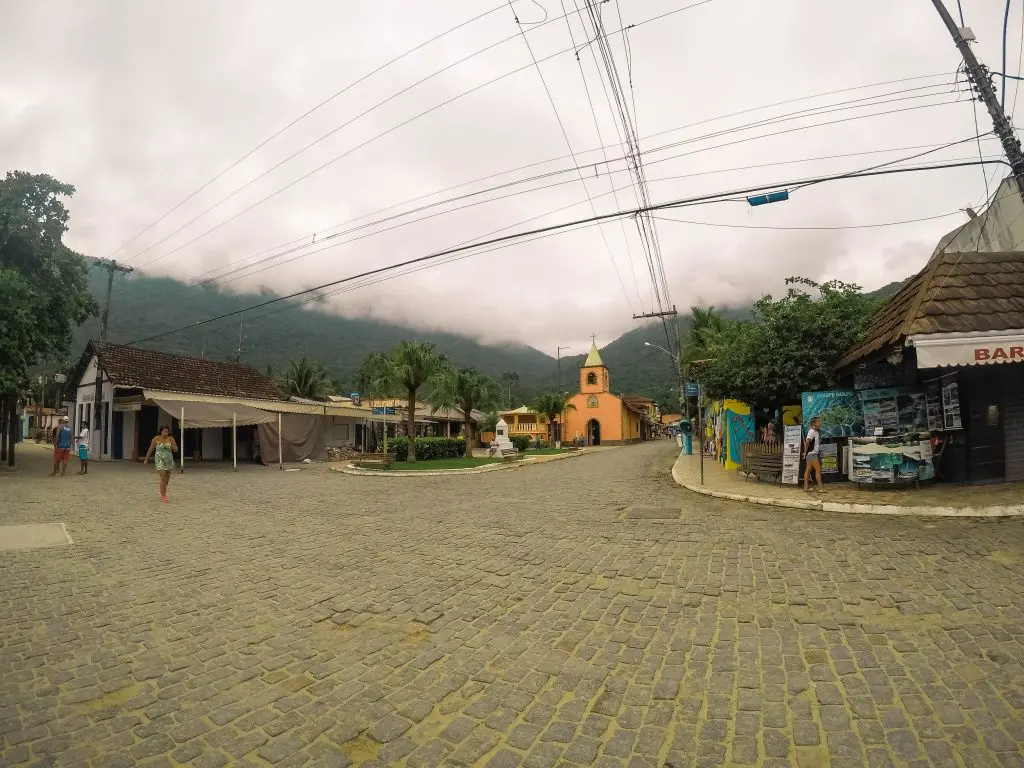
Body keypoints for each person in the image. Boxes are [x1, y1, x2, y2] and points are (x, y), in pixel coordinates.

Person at [144, 425, 178, 503]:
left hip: (168, 460)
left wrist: (173, 447)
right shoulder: (156, 438)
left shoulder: (171, 438)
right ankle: (164, 496)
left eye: (167, 431)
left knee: (167, 480)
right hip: (159, 460)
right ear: (161, 431)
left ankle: (162, 490)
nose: (166, 433)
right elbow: (151, 449)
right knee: (163, 477)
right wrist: (146, 459)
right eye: (164, 431)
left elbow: (176, 449)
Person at [803, 416, 825, 493]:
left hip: (811, 454)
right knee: (818, 469)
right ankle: (821, 488)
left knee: (808, 470)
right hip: (812, 454)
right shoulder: (811, 431)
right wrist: (805, 452)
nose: (820, 422)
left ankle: (806, 488)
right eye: (818, 421)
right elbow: (807, 442)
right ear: (814, 423)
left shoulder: (816, 431)